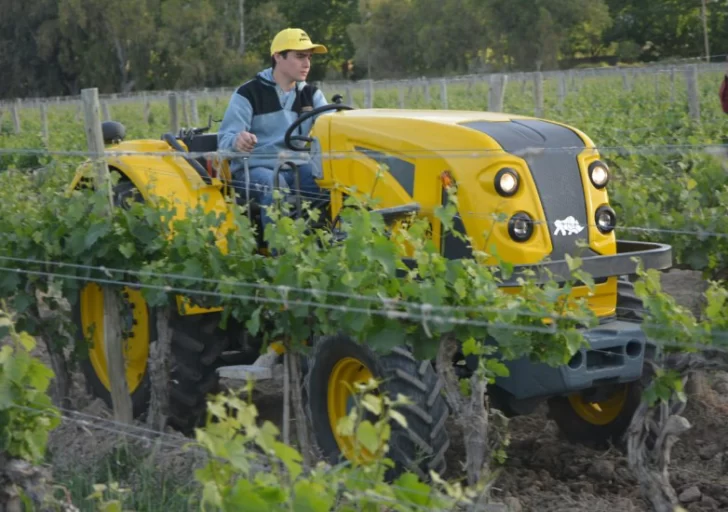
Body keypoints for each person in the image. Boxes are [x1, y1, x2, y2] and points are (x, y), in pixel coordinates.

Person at [218, 28, 330, 230]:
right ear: (278, 57)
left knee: (332, 185)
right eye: (300, 56)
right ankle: (280, 257)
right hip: (255, 169)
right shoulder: (248, 93)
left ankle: (324, 246)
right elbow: (224, 140)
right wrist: (238, 141)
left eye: (309, 57)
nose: (307, 64)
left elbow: (330, 128)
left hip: (298, 166)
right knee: (276, 188)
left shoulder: (312, 94)